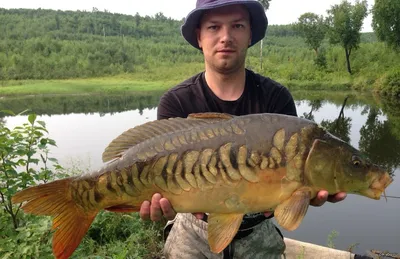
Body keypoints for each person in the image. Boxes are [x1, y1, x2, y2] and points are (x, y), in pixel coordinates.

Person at [139, 0, 347, 258]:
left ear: (250, 35)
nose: (225, 37)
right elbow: (164, 181)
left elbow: (292, 186)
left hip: (257, 229)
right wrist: (158, 204)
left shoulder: (276, 99)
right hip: (192, 229)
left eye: (237, 26)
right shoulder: (176, 102)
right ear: (199, 37)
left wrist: (306, 192)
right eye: (214, 27)